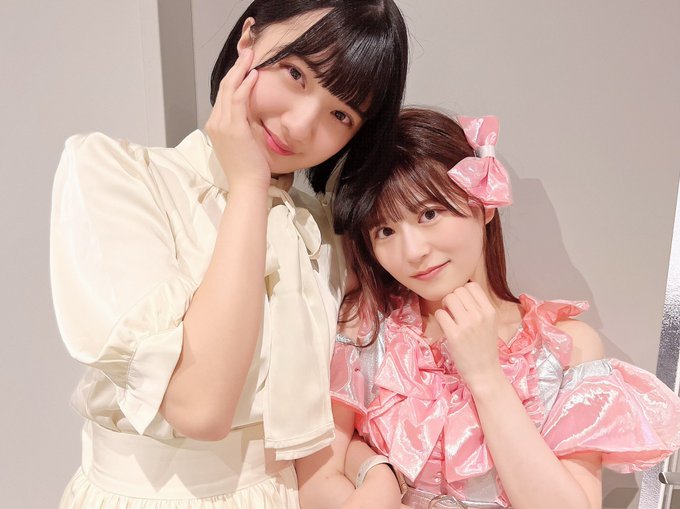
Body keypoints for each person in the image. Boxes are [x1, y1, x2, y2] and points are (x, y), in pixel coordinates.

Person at [50, 1, 408, 507]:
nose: (301, 125)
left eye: (340, 114)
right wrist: (248, 186)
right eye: (295, 73)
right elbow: (199, 408)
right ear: (248, 41)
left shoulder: (322, 230)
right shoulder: (119, 177)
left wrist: (374, 469)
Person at [300, 108, 680, 509]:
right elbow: (317, 484)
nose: (412, 251)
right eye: (385, 230)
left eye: (429, 214)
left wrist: (485, 376)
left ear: (484, 204)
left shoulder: (564, 348)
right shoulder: (367, 330)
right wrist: (378, 473)